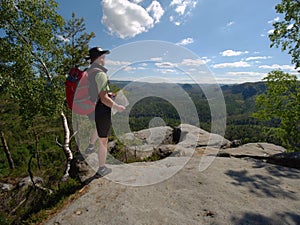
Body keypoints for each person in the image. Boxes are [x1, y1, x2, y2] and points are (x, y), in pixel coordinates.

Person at [85, 47, 125, 177]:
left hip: (92, 106)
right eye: (103, 56)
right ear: (99, 58)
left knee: (98, 127)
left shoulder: (90, 71)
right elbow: (103, 98)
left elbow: (96, 91)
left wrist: (107, 93)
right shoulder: (100, 74)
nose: (104, 59)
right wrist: (116, 106)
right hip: (101, 109)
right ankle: (101, 168)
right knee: (104, 140)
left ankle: (90, 146)